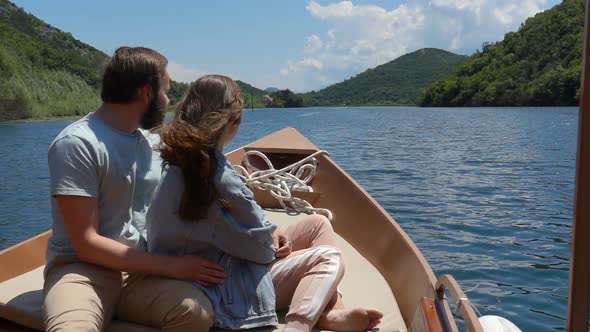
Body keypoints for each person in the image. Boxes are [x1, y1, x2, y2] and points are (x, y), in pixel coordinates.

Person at [147, 74, 383, 332]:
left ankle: (331, 312)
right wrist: (272, 240)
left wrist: (274, 230)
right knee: (329, 257)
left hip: (211, 262)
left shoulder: (176, 158)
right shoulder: (218, 176)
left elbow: (247, 228)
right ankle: (299, 326)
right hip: (224, 286)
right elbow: (261, 252)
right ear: (233, 122)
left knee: (318, 223)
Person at [43, 47, 223, 332]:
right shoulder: (78, 144)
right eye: (165, 91)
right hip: (83, 271)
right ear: (145, 93)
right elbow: (86, 242)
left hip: (141, 273)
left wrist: (268, 229)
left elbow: (214, 179)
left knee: (195, 313)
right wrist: (174, 267)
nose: (169, 101)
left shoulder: (151, 143)